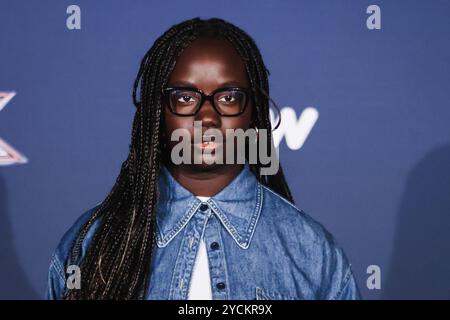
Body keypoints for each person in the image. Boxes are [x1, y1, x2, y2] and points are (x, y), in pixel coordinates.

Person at [46, 17, 361, 300]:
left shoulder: (313, 251)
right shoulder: (89, 244)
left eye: (228, 97)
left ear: (253, 112)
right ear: (157, 112)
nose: (207, 116)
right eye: (185, 98)